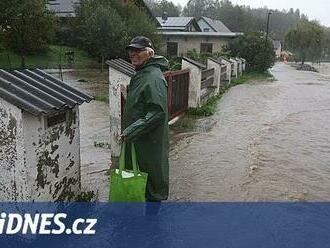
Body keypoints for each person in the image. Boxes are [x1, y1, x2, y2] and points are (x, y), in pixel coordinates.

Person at [121, 36, 169, 202]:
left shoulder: (153, 78)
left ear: (150, 53)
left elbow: (157, 112)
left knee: (151, 186)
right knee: (142, 183)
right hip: (140, 142)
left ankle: (151, 225)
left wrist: (131, 131)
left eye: (138, 50)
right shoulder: (143, 74)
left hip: (149, 144)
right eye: (131, 50)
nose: (133, 54)